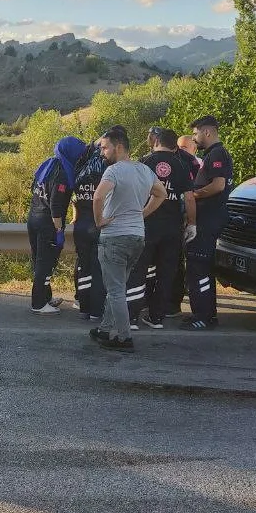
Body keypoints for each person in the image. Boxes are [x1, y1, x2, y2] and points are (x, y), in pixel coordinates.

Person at [90, 126, 166, 350]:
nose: (102, 152)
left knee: (115, 290)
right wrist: (141, 214)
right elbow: (162, 194)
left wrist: (99, 221)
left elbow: (98, 197)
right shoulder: (144, 170)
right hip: (137, 237)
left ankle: (124, 338)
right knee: (119, 284)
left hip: (114, 237)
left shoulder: (113, 171)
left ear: (118, 146)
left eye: (105, 148)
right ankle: (105, 328)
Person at [130, 127, 196, 329]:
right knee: (166, 273)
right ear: (175, 146)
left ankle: (132, 316)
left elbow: (133, 192)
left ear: (156, 141)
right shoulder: (182, 165)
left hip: (147, 225)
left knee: (137, 270)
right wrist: (192, 223)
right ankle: (157, 317)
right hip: (172, 228)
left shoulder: (144, 162)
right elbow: (189, 197)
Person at [182, 115, 234, 331]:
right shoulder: (213, 154)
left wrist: (195, 195)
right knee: (200, 268)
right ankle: (205, 314)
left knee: (198, 268)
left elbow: (218, 185)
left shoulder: (217, 154)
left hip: (208, 220)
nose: (194, 138)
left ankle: (202, 316)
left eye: (196, 133)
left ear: (207, 132)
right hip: (208, 219)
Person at [27, 136, 86, 315]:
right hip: (48, 223)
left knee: (39, 261)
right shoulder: (62, 172)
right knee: (46, 263)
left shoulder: (49, 164)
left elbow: (33, 189)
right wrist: (59, 229)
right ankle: (38, 304)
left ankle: (46, 297)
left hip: (34, 218)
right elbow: (56, 205)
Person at [72, 135, 111, 321]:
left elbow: (74, 199)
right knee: (99, 270)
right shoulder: (107, 173)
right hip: (99, 224)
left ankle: (84, 308)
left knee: (83, 267)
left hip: (80, 225)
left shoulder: (79, 170)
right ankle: (97, 311)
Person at [169, 134, 202, 317]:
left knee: (181, 260)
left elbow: (193, 193)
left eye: (185, 147)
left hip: (188, 215)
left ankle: (177, 299)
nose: (181, 151)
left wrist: (192, 222)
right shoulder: (176, 163)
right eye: (179, 147)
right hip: (176, 214)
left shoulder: (197, 164)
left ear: (193, 148)